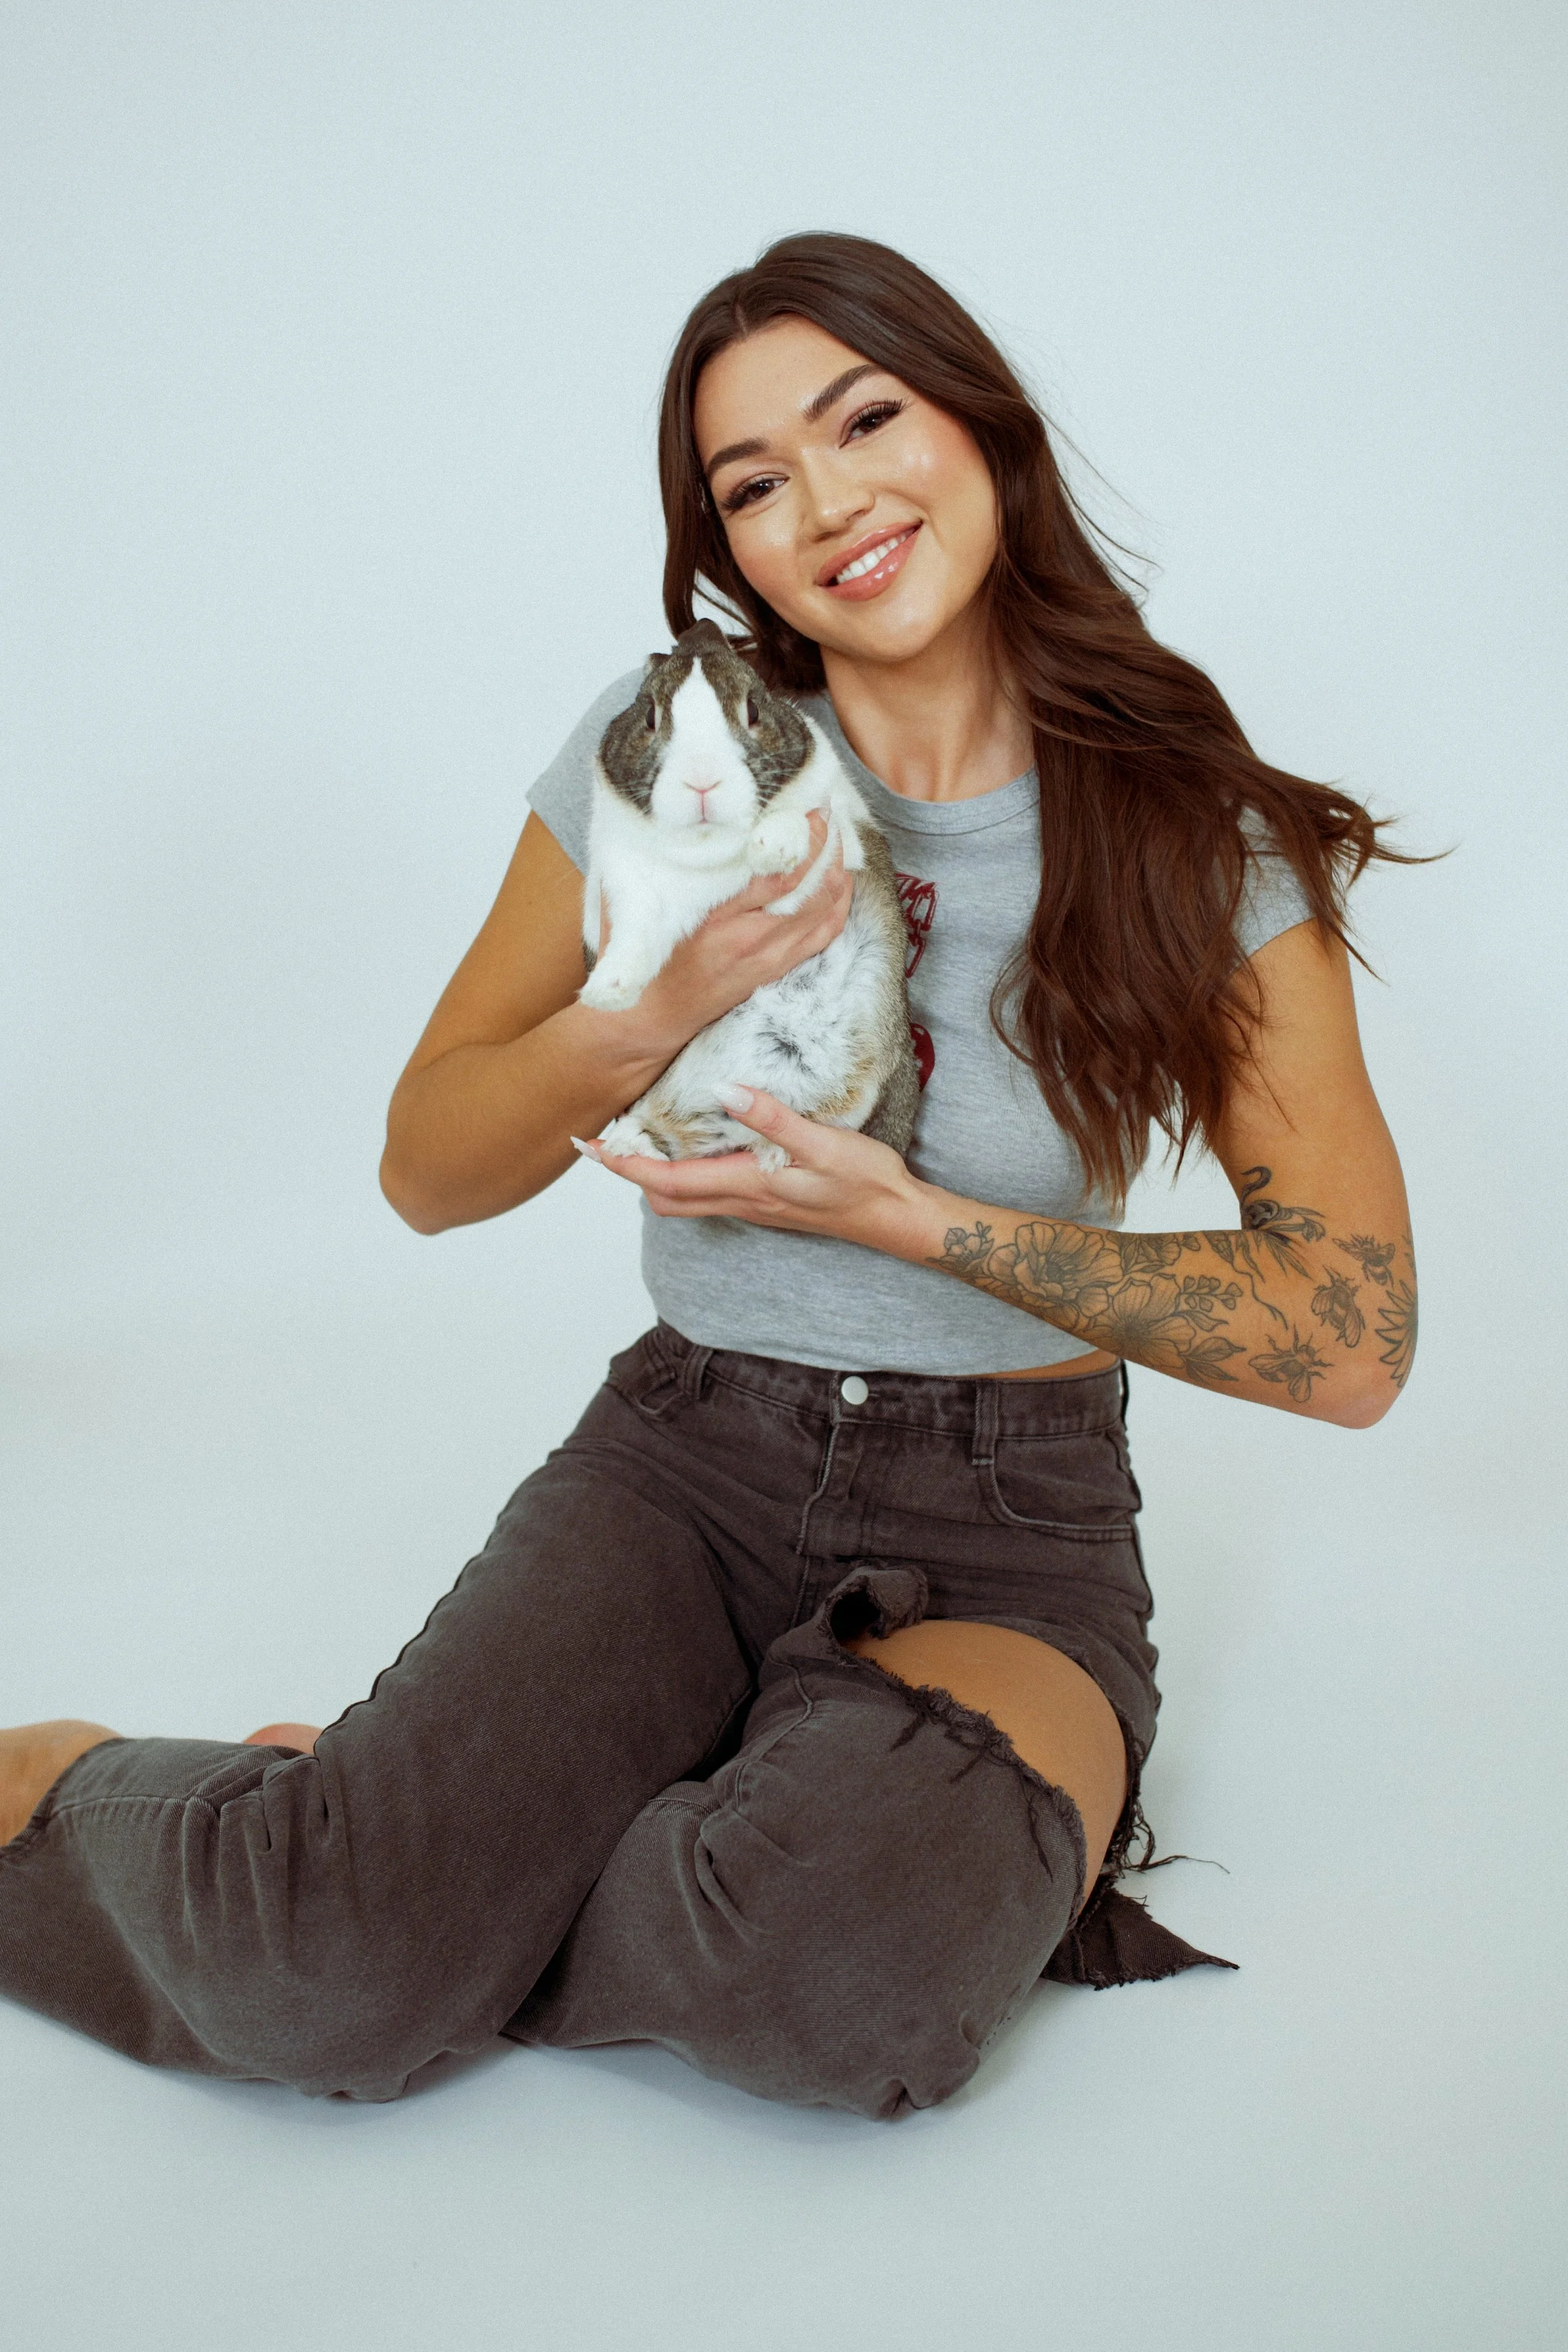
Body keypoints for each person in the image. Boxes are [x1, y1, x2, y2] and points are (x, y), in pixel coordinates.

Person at [0, 234, 1416, 2119]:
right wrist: (639, 1010)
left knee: (843, 2003)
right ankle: (290, 1853)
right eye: (752, 484)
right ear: (723, 543)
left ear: (979, 429)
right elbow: (425, 1169)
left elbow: (1350, 1342)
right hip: (689, 1459)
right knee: (312, 1978)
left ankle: (415, 1852)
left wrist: (915, 1221)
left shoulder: (1192, 841)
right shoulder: (670, 752)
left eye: (863, 422)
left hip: (1016, 1520)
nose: (824, 504)